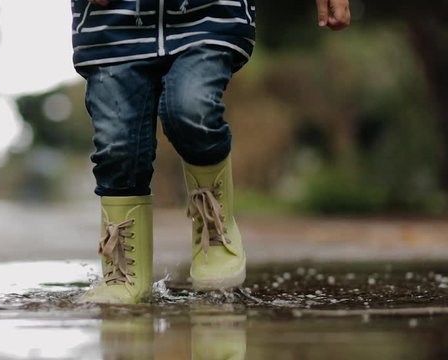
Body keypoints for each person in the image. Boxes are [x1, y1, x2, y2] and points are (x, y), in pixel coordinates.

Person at [71, 0, 351, 304]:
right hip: (114, 27)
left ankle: (215, 232)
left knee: (192, 109)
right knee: (116, 146)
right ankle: (123, 272)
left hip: (207, 17)